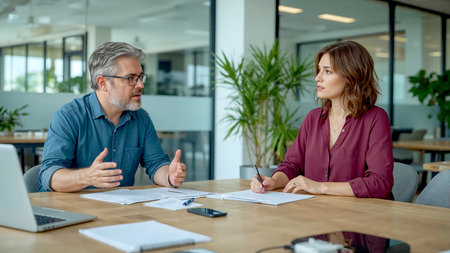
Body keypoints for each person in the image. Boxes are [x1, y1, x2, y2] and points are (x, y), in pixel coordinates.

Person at [250, 41, 393, 199]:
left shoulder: (375, 118)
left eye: (328, 71)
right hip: (315, 211)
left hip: (359, 216)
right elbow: (292, 165)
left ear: (352, 75)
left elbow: (380, 183)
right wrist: (274, 181)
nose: (318, 78)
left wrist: (320, 187)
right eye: (319, 70)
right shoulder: (313, 118)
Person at [39, 42, 186, 192]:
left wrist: (170, 176)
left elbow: (156, 164)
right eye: (131, 78)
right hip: (70, 210)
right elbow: (50, 176)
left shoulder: (141, 118)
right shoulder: (69, 117)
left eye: (141, 77)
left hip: (118, 209)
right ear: (103, 83)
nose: (140, 85)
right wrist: (86, 177)